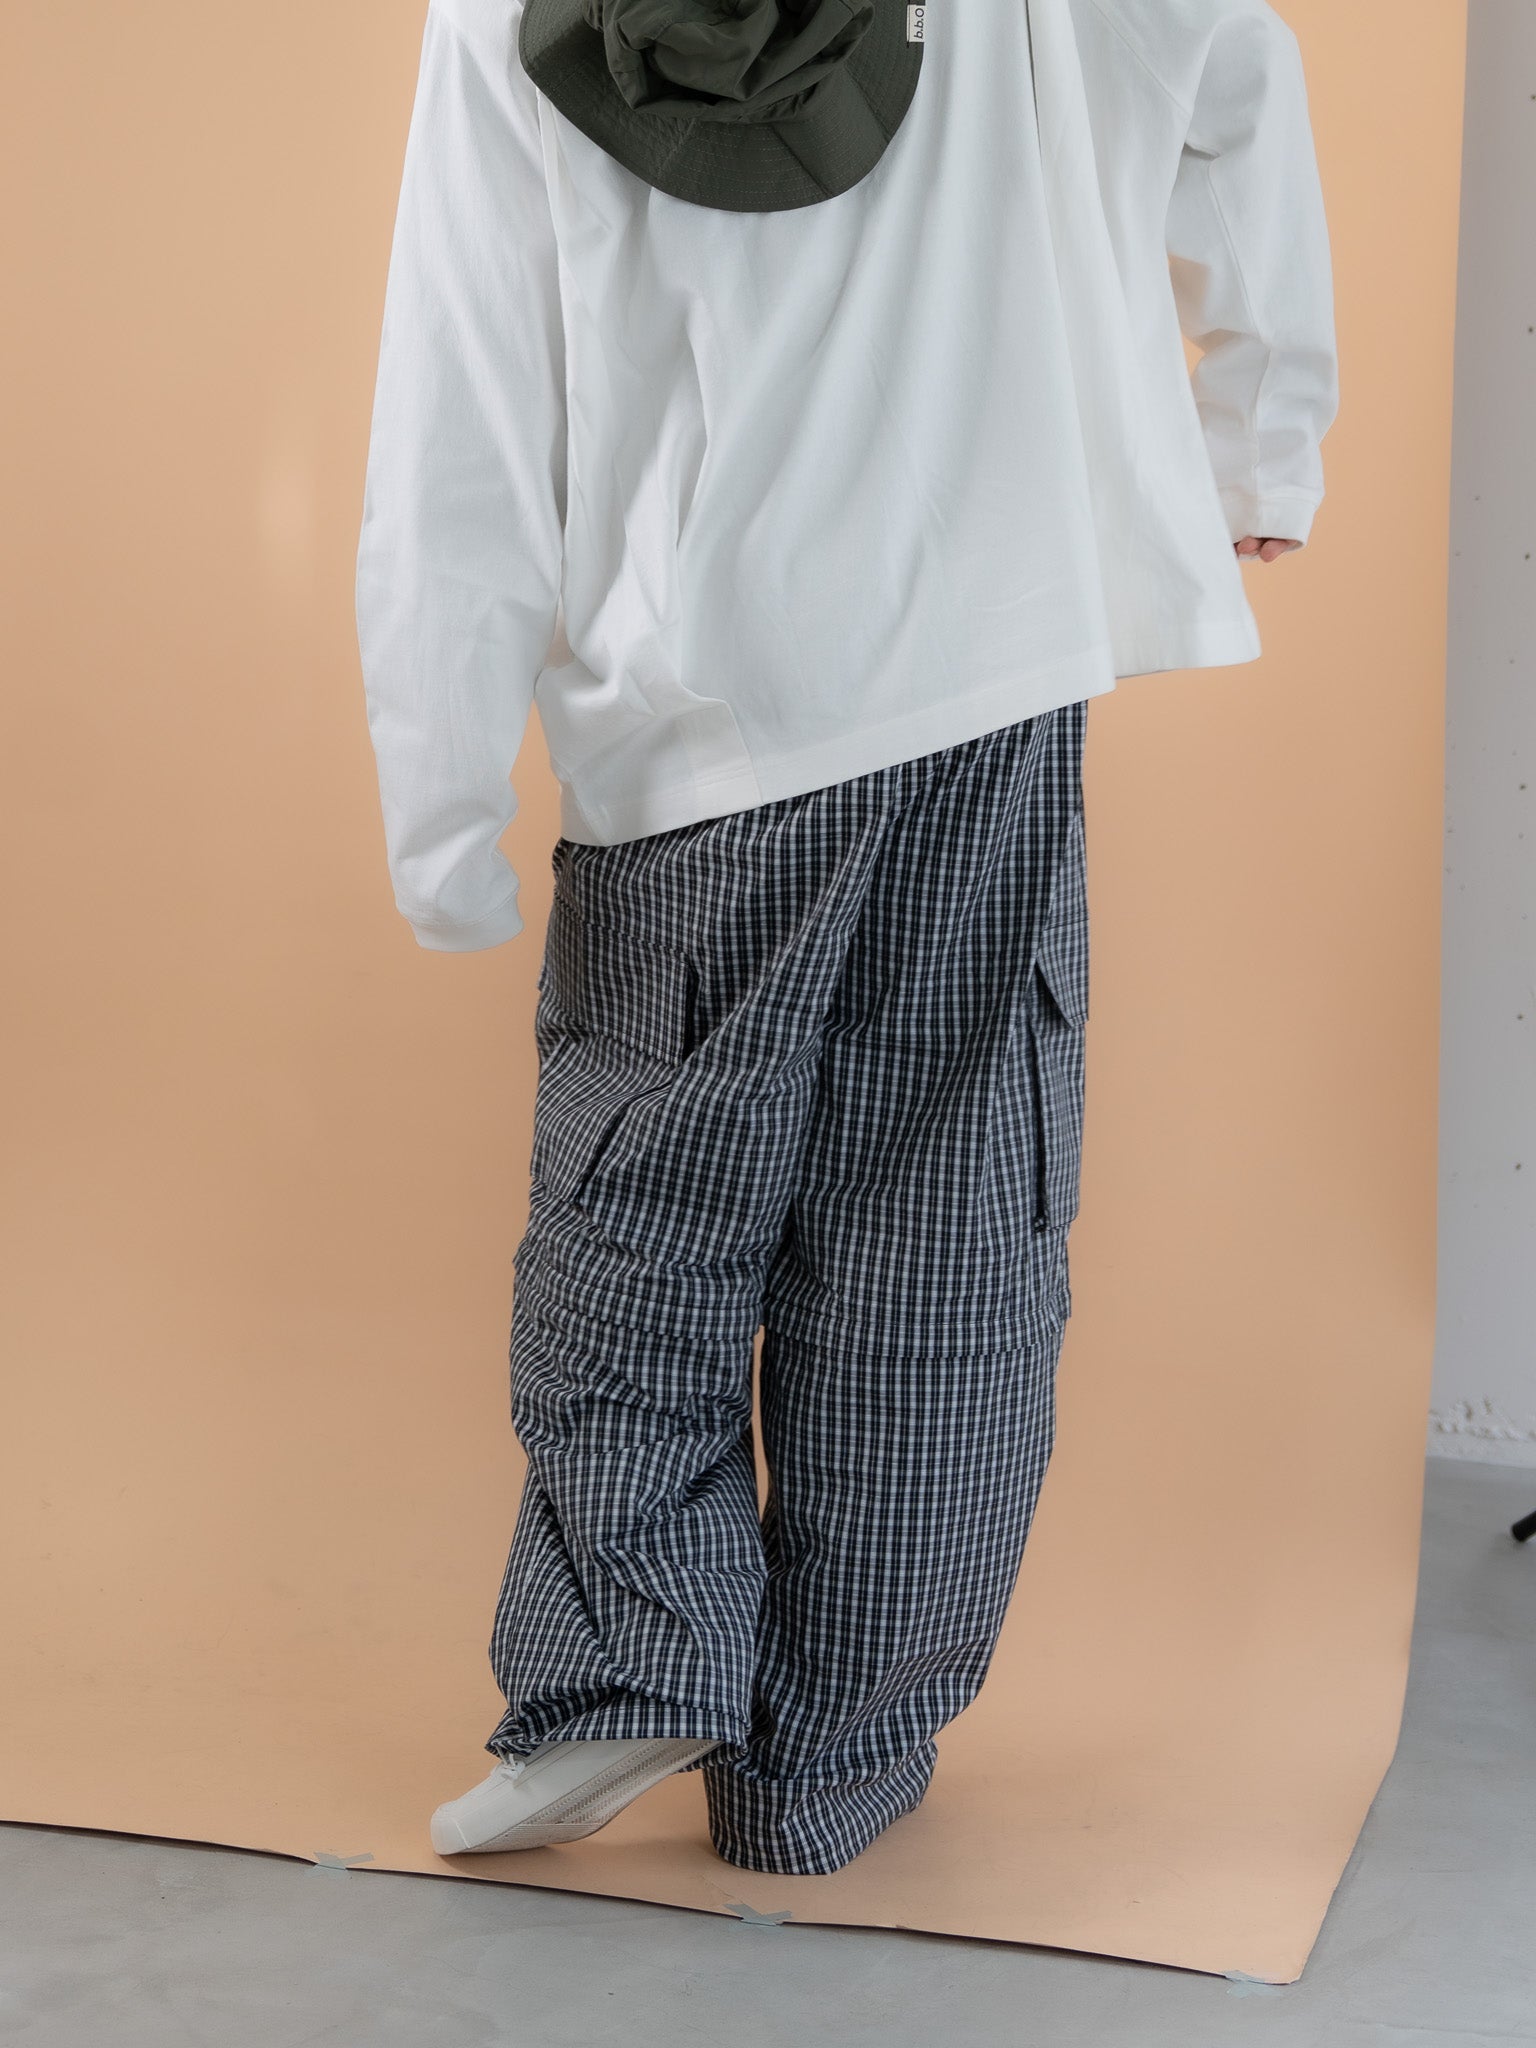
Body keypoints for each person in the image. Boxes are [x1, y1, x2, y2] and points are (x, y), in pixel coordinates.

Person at [354, 0, 1338, 1878]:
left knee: (643, 1207)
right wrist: (1254, 445)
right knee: (947, 1229)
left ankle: (625, 1666)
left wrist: (443, 810)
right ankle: (831, 1759)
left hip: (702, 706)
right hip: (995, 648)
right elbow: (1232, 70)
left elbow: (460, 401)